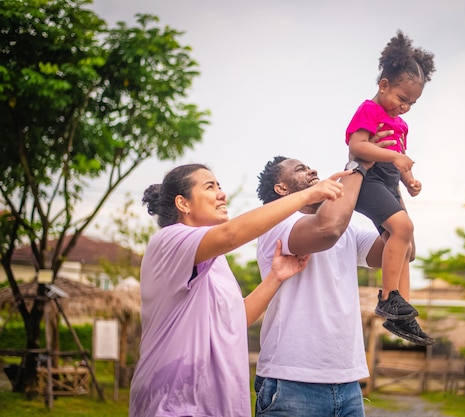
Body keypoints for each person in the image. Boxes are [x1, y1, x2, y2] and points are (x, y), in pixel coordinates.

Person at [129, 163, 350, 417]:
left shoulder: (214, 260)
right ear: (183, 203)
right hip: (175, 404)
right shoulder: (168, 241)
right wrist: (308, 194)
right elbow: (231, 234)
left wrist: (275, 277)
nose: (222, 194)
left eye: (220, 186)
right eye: (210, 187)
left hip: (221, 406)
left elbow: (235, 318)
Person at [254, 150, 389, 417]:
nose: (312, 171)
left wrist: (389, 186)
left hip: (348, 381)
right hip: (291, 379)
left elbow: (402, 249)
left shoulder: (347, 230)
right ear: (281, 188)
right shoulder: (276, 222)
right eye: (300, 169)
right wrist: (357, 164)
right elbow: (327, 230)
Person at [345, 30, 436, 345]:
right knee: (402, 227)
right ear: (383, 85)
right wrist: (394, 157)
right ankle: (388, 297)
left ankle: (403, 315)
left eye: (412, 103)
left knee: (406, 245)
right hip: (366, 179)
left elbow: (399, 161)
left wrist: (409, 181)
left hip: (388, 181)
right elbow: (358, 147)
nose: (406, 107)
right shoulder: (369, 111)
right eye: (402, 99)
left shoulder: (400, 124)